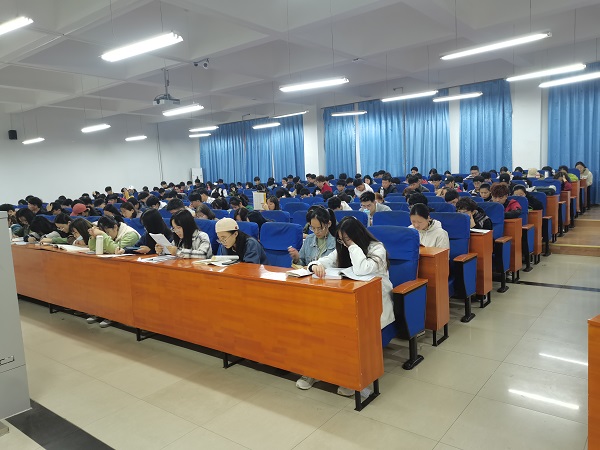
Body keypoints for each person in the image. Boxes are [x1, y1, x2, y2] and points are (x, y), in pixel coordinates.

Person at [297, 216, 394, 397]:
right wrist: (315, 265)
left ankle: (353, 378)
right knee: (319, 324)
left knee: (349, 331)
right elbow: (325, 261)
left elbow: (362, 269)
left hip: (374, 300)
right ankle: (316, 370)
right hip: (347, 296)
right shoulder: (343, 246)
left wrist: (353, 245)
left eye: (347, 238)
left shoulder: (376, 248)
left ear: (357, 235)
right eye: (341, 239)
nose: (344, 243)